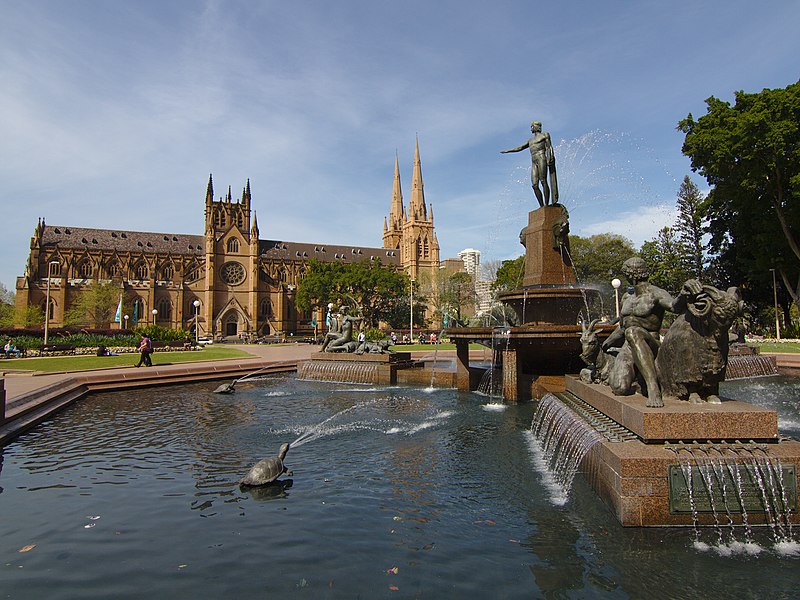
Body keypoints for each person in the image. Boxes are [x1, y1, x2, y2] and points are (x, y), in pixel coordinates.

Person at [602, 257, 699, 407]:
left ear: (631, 275)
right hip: (629, 346)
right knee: (619, 388)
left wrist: (684, 293)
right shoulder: (626, 298)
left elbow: (674, 307)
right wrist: (606, 343)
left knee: (633, 332)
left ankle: (653, 388)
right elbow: (622, 327)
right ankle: (639, 377)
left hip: (650, 343)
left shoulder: (656, 293)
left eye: (626, 273)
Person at [501, 120, 559, 207]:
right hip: (534, 160)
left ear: (537, 126)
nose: (531, 128)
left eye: (532, 126)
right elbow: (520, 147)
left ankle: (547, 205)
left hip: (541, 157)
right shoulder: (530, 140)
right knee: (534, 185)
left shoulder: (545, 135)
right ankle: (542, 206)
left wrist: (550, 157)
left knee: (543, 181)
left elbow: (549, 147)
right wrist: (509, 151)